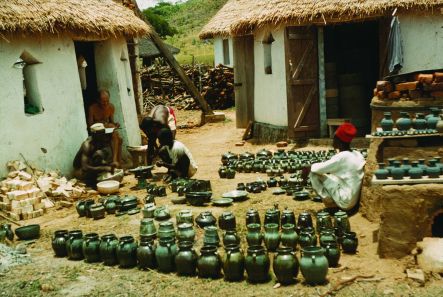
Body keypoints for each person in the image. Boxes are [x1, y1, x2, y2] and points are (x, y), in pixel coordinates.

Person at [309, 123, 366, 211]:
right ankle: (335, 202)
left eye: (334, 138)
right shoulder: (357, 154)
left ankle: (331, 204)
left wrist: (308, 167)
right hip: (352, 198)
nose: (333, 141)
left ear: (339, 140)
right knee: (331, 175)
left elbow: (316, 169)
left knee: (314, 174)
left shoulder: (342, 156)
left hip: (345, 201)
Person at [88, 89, 122, 166]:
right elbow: (90, 125)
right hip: (97, 133)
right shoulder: (92, 108)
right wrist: (102, 124)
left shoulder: (111, 107)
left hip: (108, 132)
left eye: (107, 101)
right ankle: (115, 161)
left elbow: (111, 121)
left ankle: (116, 162)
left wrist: (115, 124)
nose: (106, 103)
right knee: (116, 136)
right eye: (103, 101)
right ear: (98, 100)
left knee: (119, 138)